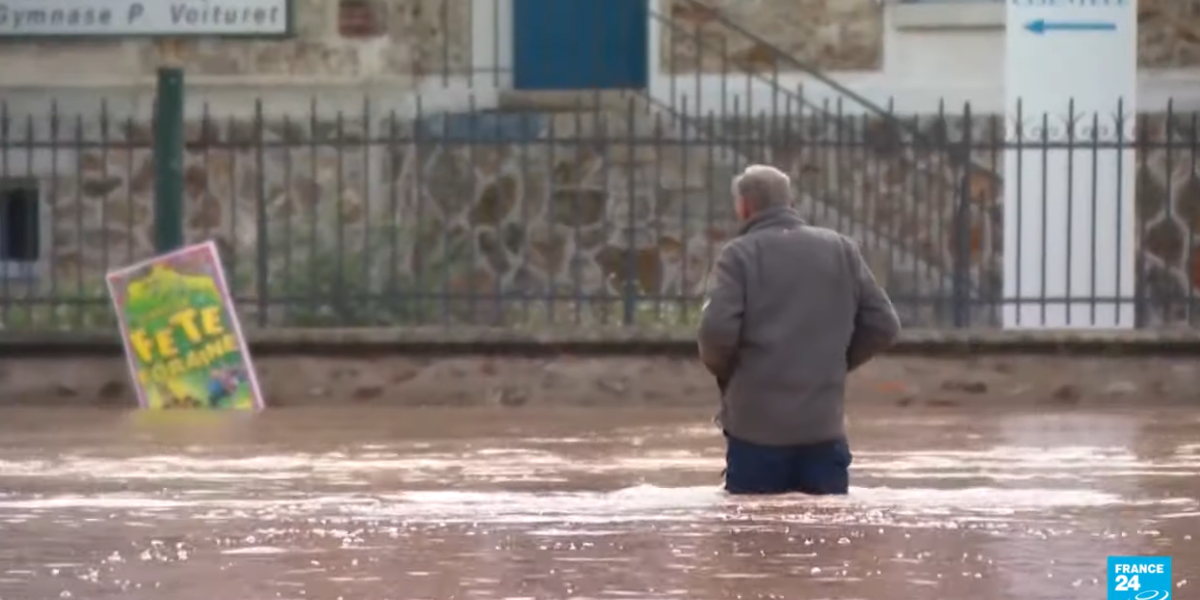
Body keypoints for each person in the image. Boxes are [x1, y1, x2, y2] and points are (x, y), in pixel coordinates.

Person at [697, 165, 901, 495]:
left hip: (755, 433)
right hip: (824, 431)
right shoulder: (841, 249)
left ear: (744, 206)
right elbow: (884, 326)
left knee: (753, 535)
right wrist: (834, 362)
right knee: (826, 537)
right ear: (790, 201)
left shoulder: (739, 255)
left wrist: (734, 375)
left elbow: (716, 335)